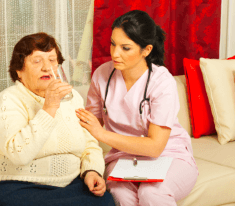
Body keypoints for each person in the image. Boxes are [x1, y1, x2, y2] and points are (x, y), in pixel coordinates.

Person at [0, 32, 115, 206]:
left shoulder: (72, 98)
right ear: (19, 70)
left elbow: (90, 144)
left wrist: (91, 171)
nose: (46, 67)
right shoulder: (9, 99)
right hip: (11, 183)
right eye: (37, 61)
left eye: (52, 60)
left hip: (65, 184)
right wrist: (49, 107)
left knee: (105, 201)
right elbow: (19, 154)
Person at [75, 10, 198, 206]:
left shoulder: (162, 81)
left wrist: (102, 134)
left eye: (126, 48)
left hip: (169, 155)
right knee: (120, 195)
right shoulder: (101, 76)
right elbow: (89, 129)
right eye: (113, 44)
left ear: (146, 50)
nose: (115, 53)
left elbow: (155, 147)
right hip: (123, 158)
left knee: (152, 194)